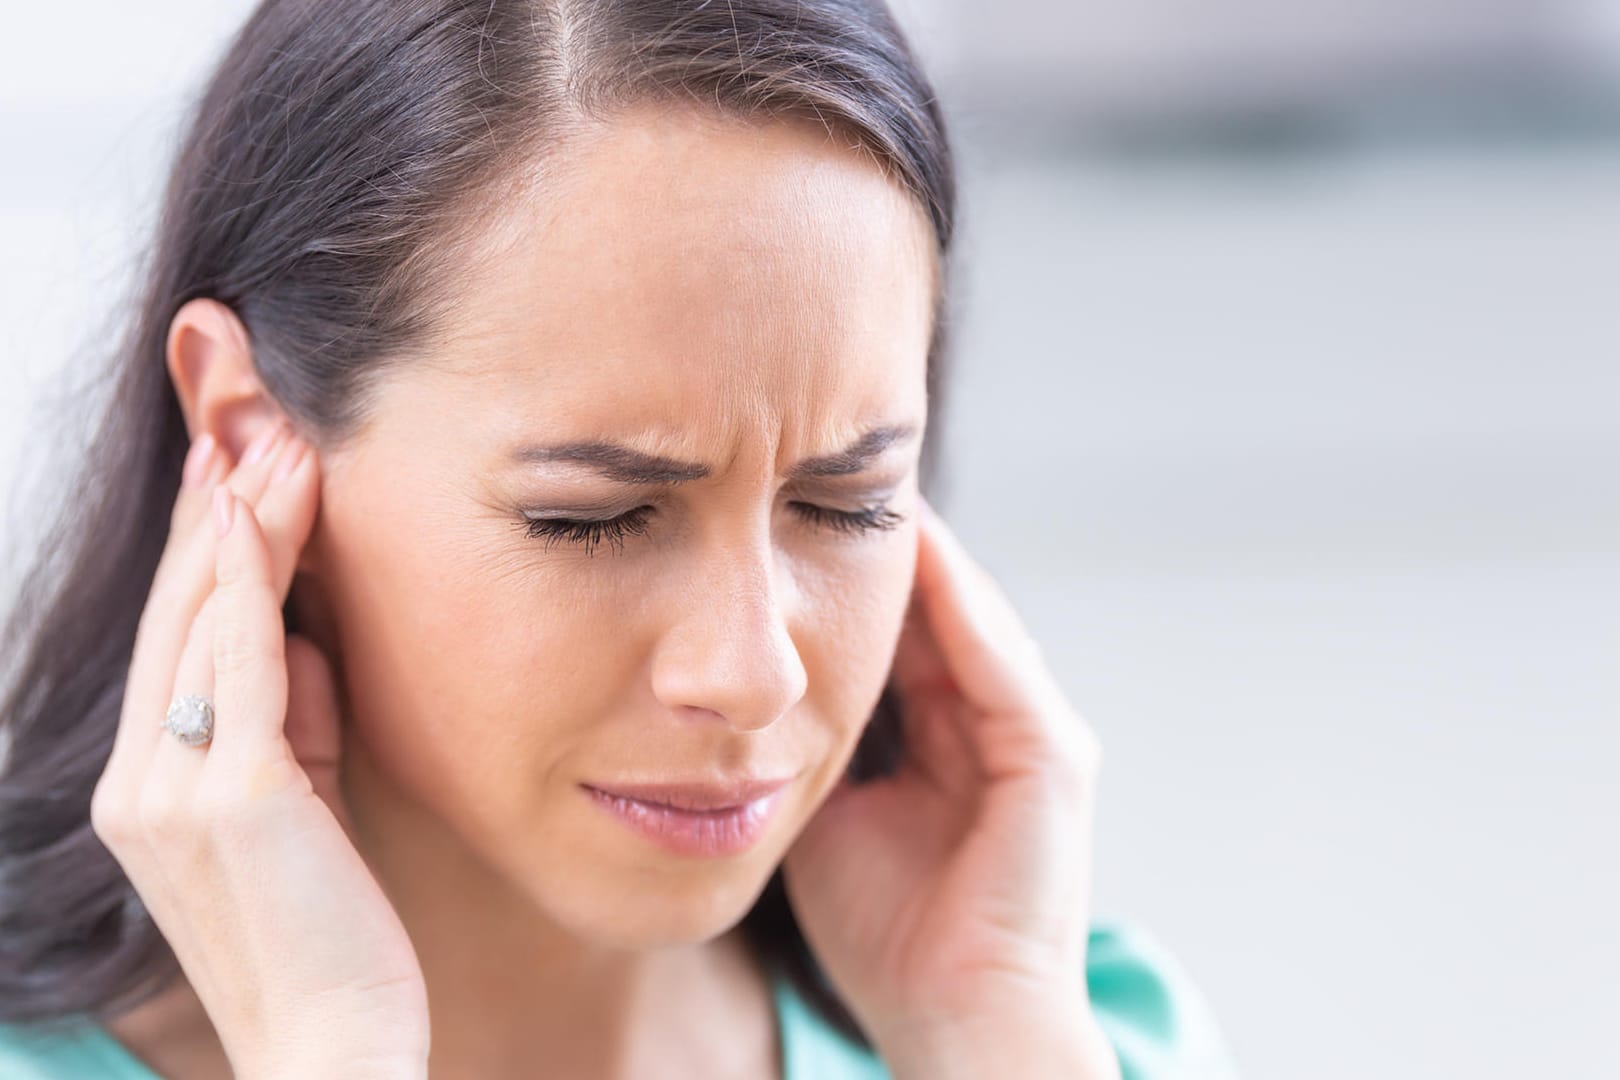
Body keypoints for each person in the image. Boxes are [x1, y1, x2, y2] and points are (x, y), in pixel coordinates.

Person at [0, 1, 1241, 1076]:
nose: (756, 675)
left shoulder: (1071, 1037)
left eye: (847, 501)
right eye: (595, 518)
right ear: (244, 426)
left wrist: (983, 1043)